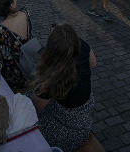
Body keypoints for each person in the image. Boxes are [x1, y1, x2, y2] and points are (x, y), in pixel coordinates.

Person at [30, 24, 96, 152]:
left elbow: (35, 107)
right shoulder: (84, 45)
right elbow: (93, 63)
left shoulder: (51, 77)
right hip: (84, 114)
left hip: (67, 131)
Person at [0, 0, 30, 92]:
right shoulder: (25, 13)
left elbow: (7, 57)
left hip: (17, 70)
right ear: (11, 5)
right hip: (30, 59)